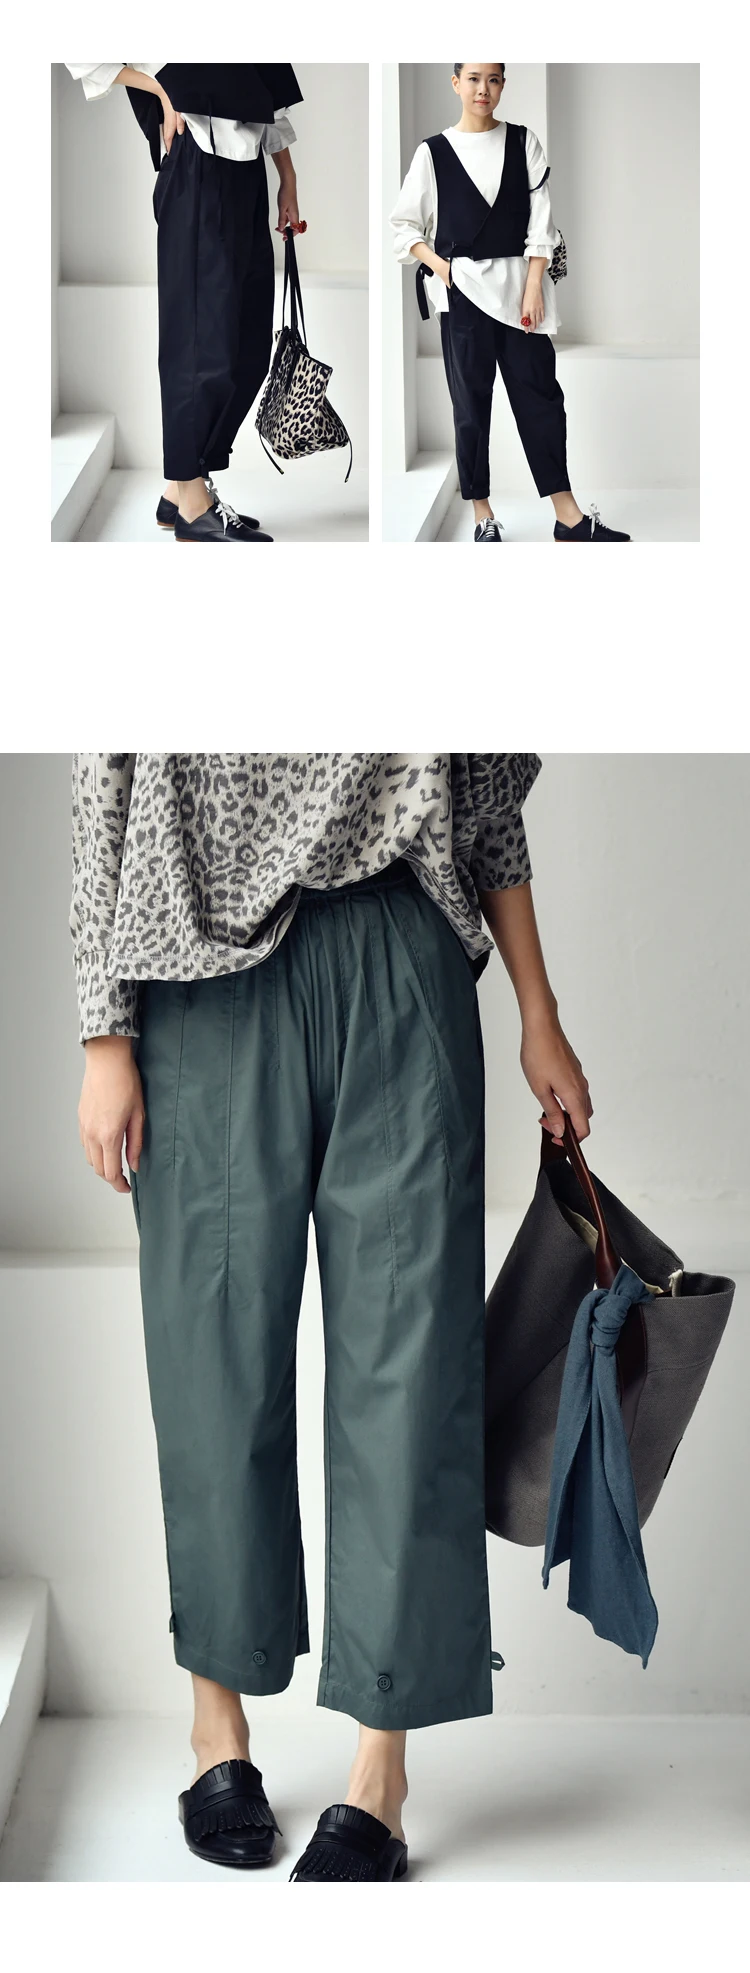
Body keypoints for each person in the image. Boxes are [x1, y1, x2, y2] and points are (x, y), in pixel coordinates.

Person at [71, 753, 592, 1882]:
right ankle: (217, 1733)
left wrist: (537, 1009)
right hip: (199, 973)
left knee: (411, 1368)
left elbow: (483, 788)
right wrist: (103, 1032)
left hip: (399, 947)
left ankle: (380, 1772)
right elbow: (103, 771)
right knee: (210, 1366)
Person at [64, 64, 306, 543]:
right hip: (195, 161)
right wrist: (161, 88)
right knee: (200, 344)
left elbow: (268, 86)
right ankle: (195, 503)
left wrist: (288, 177)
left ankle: (179, 491)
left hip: (248, 169)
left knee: (247, 345)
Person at [390, 63, 631, 543]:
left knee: (541, 399)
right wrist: (444, 269)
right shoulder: (433, 152)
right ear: (456, 83)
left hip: (522, 294)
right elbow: (404, 227)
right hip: (462, 297)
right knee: (470, 406)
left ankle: (568, 517)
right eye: (473, 78)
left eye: (494, 79)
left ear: (502, 84)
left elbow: (542, 222)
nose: (484, 89)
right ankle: (482, 515)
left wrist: (534, 284)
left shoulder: (523, 142)